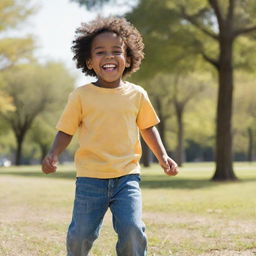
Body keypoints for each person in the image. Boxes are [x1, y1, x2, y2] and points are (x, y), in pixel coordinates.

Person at [41, 16, 178, 256]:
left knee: (132, 228)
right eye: (100, 52)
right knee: (80, 235)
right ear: (90, 62)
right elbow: (66, 129)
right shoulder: (81, 96)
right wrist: (54, 153)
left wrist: (162, 156)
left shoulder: (137, 94)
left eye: (117, 51)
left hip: (127, 176)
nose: (109, 57)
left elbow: (148, 127)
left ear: (128, 59)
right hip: (90, 179)